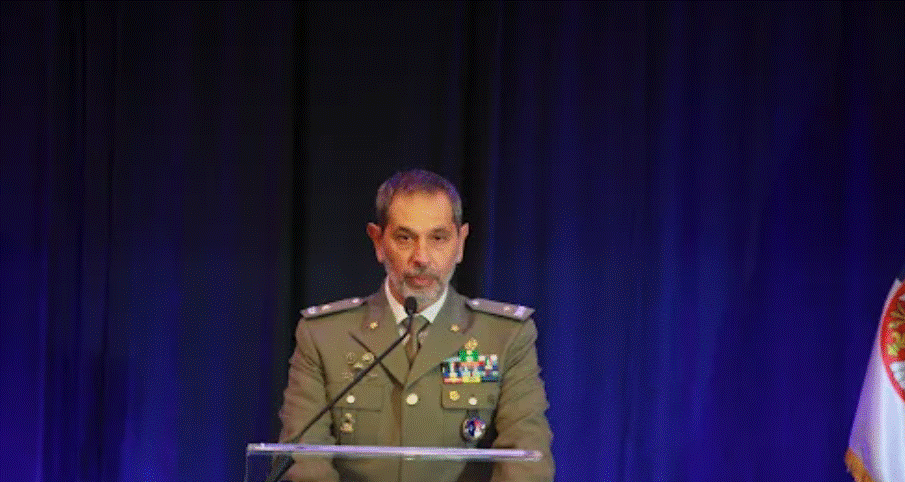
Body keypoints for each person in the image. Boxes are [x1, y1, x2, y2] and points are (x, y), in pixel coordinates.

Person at [277, 169, 554, 482]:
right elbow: (304, 463)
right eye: (404, 238)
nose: (421, 257)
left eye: (438, 238)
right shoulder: (324, 336)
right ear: (378, 241)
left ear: (460, 243)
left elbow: (526, 463)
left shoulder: (505, 337)